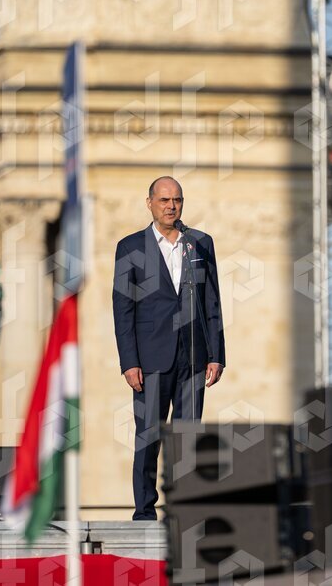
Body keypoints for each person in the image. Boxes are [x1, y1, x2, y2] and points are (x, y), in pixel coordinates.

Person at [112, 176, 226, 521]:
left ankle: (185, 508)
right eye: (164, 200)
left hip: (193, 355)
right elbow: (123, 309)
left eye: (177, 200)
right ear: (150, 203)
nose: (171, 206)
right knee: (149, 436)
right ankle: (145, 510)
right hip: (150, 359)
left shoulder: (200, 243)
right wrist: (129, 362)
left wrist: (217, 354)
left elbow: (212, 301)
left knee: (187, 437)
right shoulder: (130, 247)